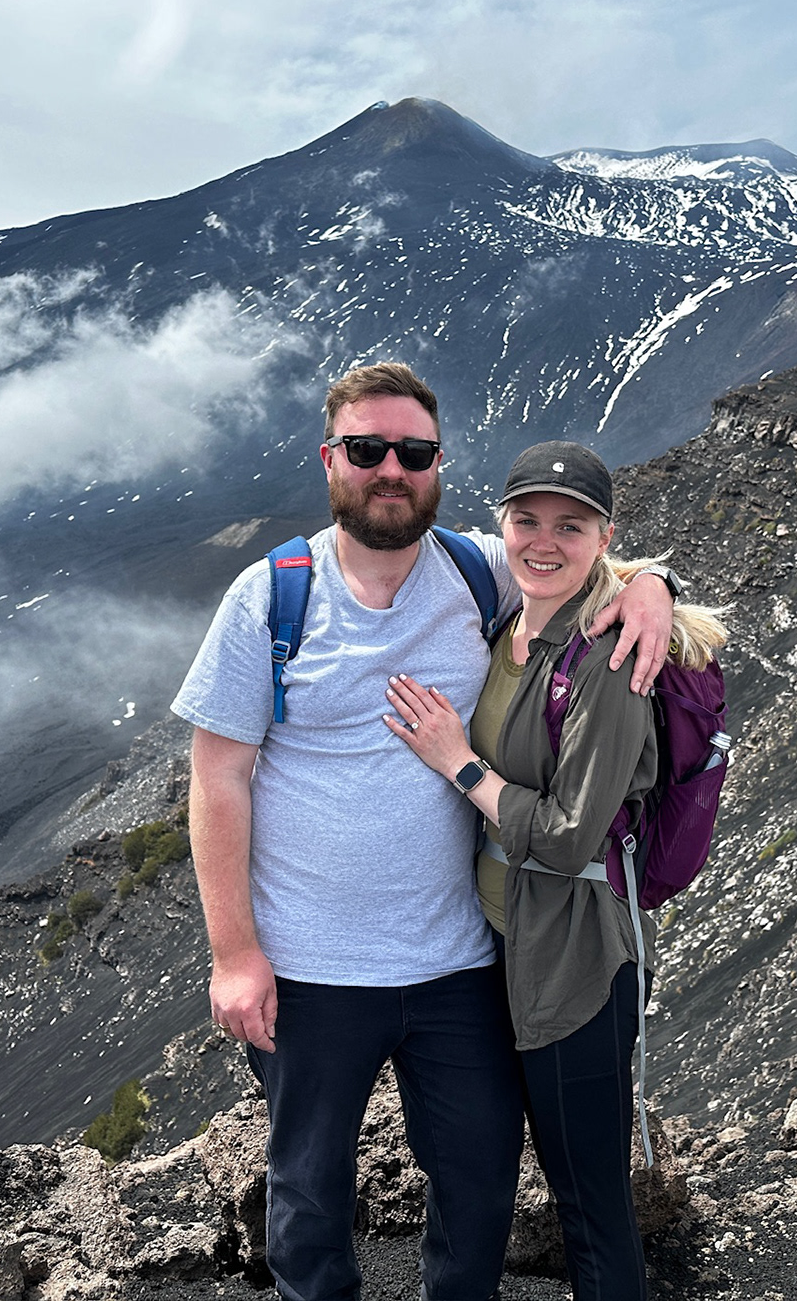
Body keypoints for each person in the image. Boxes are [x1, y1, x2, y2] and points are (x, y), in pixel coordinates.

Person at [170, 364, 679, 1301]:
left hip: (458, 963)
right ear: (333, 461)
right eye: (368, 450)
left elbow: (569, 554)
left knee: (480, 1185)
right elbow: (218, 775)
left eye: (412, 452)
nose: (390, 469)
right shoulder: (268, 597)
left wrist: (653, 586)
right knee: (310, 1195)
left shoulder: (473, 568)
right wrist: (234, 952)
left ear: (439, 465)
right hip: (313, 970)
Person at [383, 441, 726, 1301]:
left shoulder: (607, 660)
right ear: (500, 526)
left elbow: (573, 836)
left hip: (573, 957)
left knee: (589, 1199)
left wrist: (458, 763)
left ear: (605, 537)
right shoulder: (510, 619)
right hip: (500, 940)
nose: (545, 541)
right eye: (526, 520)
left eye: (570, 526)